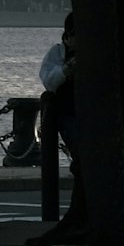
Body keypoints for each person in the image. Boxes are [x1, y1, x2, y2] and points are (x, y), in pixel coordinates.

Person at [34, 34, 76, 231]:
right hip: (68, 115)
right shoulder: (57, 53)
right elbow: (49, 82)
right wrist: (67, 70)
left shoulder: (95, 52)